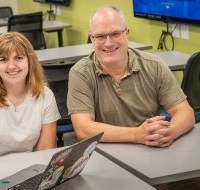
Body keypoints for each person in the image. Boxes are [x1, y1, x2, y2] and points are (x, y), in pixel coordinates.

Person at [67, 6, 195, 148]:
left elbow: (186, 112)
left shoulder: (154, 65)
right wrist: (137, 135)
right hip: (105, 152)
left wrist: (169, 132)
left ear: (126, 33)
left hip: (150, 147)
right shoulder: (80, 73)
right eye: (100, 36)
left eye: (115, 34)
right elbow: (83, 129)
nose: (108, 43)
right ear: (91, 38)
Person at [0, 32, 60, 162]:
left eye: (18, 58)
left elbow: (45, 152)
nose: (11, 66)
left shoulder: (45, 95)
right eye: (3, 59)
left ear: (30, 60)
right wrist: (4, 182)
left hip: (29, 172)